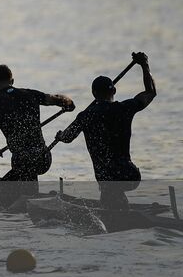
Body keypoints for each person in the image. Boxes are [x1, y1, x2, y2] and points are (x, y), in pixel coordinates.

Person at [55, 52, 157, 208]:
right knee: (112, 191)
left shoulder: (85, 116)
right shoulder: (125, 108)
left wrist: (60, 135)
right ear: (114, 91)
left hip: (106, 177)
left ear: (94, 94)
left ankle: (115, 214)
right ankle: (122, 209)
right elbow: (151, 92)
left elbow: (68, 137)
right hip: (130, 175)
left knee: (108, 183)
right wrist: (144, 64)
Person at [0, 64, 75, 207]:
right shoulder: (30, 94)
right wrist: (69, 103)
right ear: (12, 81)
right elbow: (59, 99)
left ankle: (23, 200)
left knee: (2, 186)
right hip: (43, 158)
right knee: (22, 177)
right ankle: (34, 199)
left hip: (22, 161)